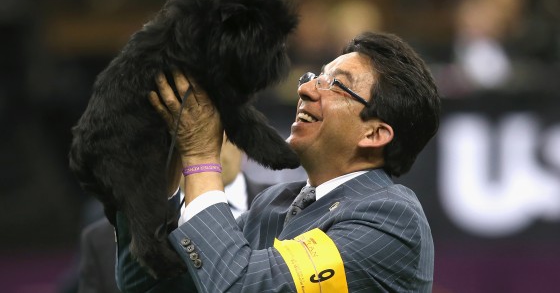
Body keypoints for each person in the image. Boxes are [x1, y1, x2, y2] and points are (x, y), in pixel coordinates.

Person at [116, 31, 440, 292]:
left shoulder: (388, 216)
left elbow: (241, 287)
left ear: (374, 134)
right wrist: (155, 167)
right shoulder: (272, 204)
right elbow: (150, 285)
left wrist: (200, 158)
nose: (307, 88)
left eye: (336, 85)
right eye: (317, 76)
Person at [75, 138, 267, 293]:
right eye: (191, 126)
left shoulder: (290, 211)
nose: (211, 140)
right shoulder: (101, 241)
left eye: (219, 127)